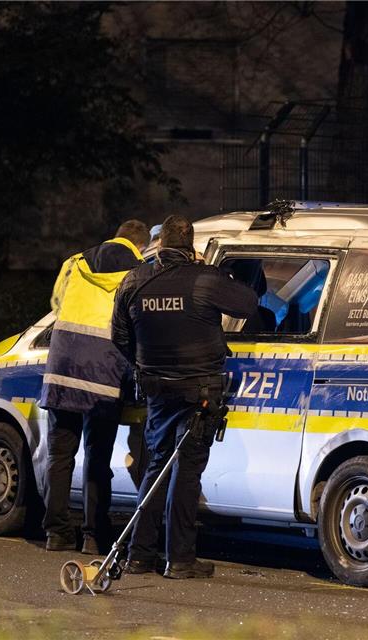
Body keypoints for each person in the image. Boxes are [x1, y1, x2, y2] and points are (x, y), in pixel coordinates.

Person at [111, 215, 259, 579]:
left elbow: (118, 337)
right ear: (190, 246)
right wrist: (213, 272)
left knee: (156, 467)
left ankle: (138, 556)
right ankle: (179, 559)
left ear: (158, 246)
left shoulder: (135, 280)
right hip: (199, 392)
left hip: (157, 390)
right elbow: (249, 304)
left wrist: (145, 365)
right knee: (187, 472)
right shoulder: (204, 280)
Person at [40, 220, 151, 554]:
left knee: (60, 456)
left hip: (62, 368)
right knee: (97, 458)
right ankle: (93, 536)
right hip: (103, 373)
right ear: (141, 246)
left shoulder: (74, 263)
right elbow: (136, 324)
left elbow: (57, 306)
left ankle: (56, 534)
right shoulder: (138, 272)